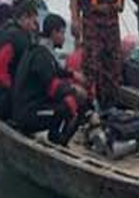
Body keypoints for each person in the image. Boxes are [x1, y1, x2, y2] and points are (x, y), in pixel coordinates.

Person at [13, 14, 89, 145]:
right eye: (62, 33)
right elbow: (52, 88)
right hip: (28, 113)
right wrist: (75, 90)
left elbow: (56, 70)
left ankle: (55, 135)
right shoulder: (42, 56)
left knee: (69, 99)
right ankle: (60, 141)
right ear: (54, 33)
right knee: (70, 104)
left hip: (29, 106)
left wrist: (73, 75)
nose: (64, 38)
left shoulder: (40, 49)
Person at [0, 0, 40, 120]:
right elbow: (29, 72)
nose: (35, 26)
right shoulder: (20, 39)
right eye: (34, 21)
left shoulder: (5, 32)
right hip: (0, 103)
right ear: (24, 18)